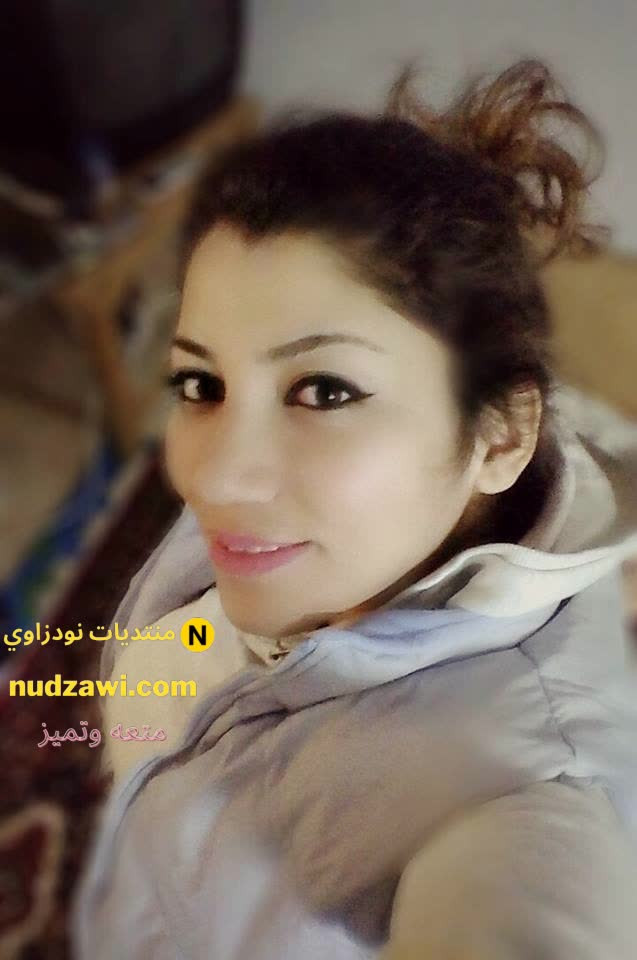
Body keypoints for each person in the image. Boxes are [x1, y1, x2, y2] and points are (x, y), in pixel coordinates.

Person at [71, 59, 637, 959]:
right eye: (202, 383)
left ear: (499, 436)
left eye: (325, 391)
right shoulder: (313, 535)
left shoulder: (517, 798)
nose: (212, 479)